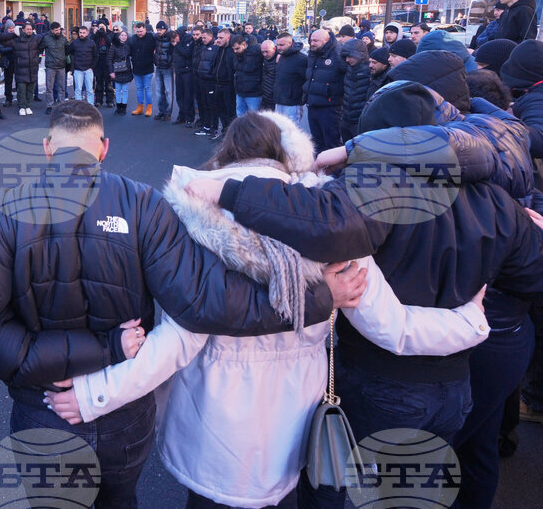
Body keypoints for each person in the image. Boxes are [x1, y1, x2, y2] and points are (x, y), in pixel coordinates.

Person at [0, 100, 363, 509]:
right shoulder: (143, 204)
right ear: (104, 147)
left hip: (43, 408)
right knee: (119, 499)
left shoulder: (4, 210)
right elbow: (207, 302)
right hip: (125, 412)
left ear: (46, 148)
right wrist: (319, 296)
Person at [46, 111, 489, 509]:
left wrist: (95, 394)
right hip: (291, 427)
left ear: (226, 153)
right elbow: (393, 328)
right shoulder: (329, 222)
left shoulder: (194, 215)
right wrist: (470, 320)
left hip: (214, 426)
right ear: (288, 153)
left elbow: (177, 342)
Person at [186, 83, 543, 508]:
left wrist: (227, 191)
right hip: (455, 386)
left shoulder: (374, 193)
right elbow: (530, 278)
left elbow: (326, 227)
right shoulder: (500, 200)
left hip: (377, 381)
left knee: (333, 483)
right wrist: (475, 310)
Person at [303, 29, 347, 152]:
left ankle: (333, 165)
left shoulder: (337, 54)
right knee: (317, 143)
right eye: (311, 40)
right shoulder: (312, 54)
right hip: (313, 104)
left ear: (326, 40)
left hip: (330, 108)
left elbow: (349, 74)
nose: (312, 43)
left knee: (331, 143)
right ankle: (319, 163)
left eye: (316, 41)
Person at [272, 33, 308, 133]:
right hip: (279, 101)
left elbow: (307, 80)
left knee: (292, 132)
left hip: (293, 104)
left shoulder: (302, 59)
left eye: (282, 45)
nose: (279, 47)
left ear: (290, 43)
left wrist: (301, 98)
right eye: (277, 45)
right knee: (279, 131)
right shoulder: (281, 57)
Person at [339, 38, 373, 142]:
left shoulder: (370, 71)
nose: (347, 60)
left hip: (359, 123)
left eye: (350, 56)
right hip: (346, 120)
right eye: (345, 57)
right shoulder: (349, 69)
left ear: (360, 55)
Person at [7, 22, 41, 116]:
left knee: (30, 89)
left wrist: (38, 60)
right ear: (23, 30)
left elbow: (45, 38)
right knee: (21, 90)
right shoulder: (16, 40)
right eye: (27, 29)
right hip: (20, 69)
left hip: (32, 69)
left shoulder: (36, 39)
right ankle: (22, 107)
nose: (29, 31)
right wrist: (14, 33)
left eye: (31, 29)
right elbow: (2, 40)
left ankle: (28, 106)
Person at [127, 22, 158, 117]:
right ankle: (139, 107)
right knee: (139, 88)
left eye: (141, 31)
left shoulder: (151, 37)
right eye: (138, 31)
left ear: (145, 29)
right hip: (136, 68)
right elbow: (129, 51)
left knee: (147, 88)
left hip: (148, 68)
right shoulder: (133, 39)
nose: (139, 33)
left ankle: (149, 108)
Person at [40, 22, 70, 114]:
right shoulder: (46, 39)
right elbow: (40, 49)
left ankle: (61, 105)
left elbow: (68, 48)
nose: (58, 31)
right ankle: (50, 106)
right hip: (50, 67)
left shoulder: (63, 38)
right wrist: (39, 58)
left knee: (62, 88)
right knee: (49, 88)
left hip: (61, 66)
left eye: (59, 29)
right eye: (56, 30)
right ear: (52, 30)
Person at [171, 27, 199, 125]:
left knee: (188, 96)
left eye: (177, 36)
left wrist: (177, 46)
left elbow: (186, 53)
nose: (175, 38)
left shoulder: (189, 41)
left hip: (187, 72)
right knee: (179, 95)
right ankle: (181, 115)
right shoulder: (178, 43)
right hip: (179, 71)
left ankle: (189, 117)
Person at [212, 29, 237, 131]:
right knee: (220, 108)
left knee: (230, 110)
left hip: (228, 84)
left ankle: (230, 131)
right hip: (218, 83)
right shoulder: (219, 49)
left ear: (228, 38)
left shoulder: (232, 50)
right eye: (218, 37)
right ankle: (225, 129)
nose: (218, 40)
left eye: (221, 38)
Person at [232, 34, 263, 116]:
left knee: (254, 118)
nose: (235, 51)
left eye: (237, 48)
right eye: (234, 49)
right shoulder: (238, 54)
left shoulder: (257, 52)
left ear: (244, 45)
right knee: (240, 116)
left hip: (253, 93)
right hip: (240, 91)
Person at [68, 25, 98, 106]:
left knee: (90, 89)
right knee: (78, 90)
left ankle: (91, 106)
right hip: (78, 70)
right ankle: (79, 106)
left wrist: (92, 67)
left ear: (87, 33)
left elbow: (96, 56)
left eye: (84, 33)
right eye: (80, 33)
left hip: (89, 69)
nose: (82, 34)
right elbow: (69, 52)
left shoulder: (91, 43)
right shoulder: (74, 43)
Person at [153, 23, 174, 120]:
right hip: (158, 67)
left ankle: (168, 113)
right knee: (159, 91)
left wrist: (171, 63)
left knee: (168, 92)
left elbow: (174, 51)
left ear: (165, 29)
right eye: (157, 29)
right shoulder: (156, 37)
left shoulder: (170, 37)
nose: (158, 31)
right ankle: (161, 111)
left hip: (168, 68)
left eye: (160, 30)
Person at [110, 29, 133, 115]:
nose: (123, 37)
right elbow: (109, 59)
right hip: (117, 70)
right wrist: (111, 71)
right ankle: (118, 107)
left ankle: (124, 108)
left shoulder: (129, 46)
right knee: (118, 89)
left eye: (125, 35)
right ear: (119, 36)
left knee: (125, 90)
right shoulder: (114, 46)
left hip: (126, 70)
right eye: (122, 35)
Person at [92, 22, 115, 108]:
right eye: (100, 27)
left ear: (106, 26)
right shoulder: (96, 34)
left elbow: (110, 42)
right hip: (98, 61)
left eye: (103, 26)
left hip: (107, 61)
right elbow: (91, 42)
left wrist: (104, 33)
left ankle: (110, 101)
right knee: (99, 82)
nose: (101, 28)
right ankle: (98, 100)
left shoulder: (110, 34)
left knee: (108, 83)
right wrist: (95, 33)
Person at [260, 40, 277, 111]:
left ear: (274, 49)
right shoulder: (263, 59)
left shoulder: (281, 59)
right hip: (265, 97)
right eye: (263, 52)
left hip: (275, 99)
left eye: (267, 51)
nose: (264, 54)